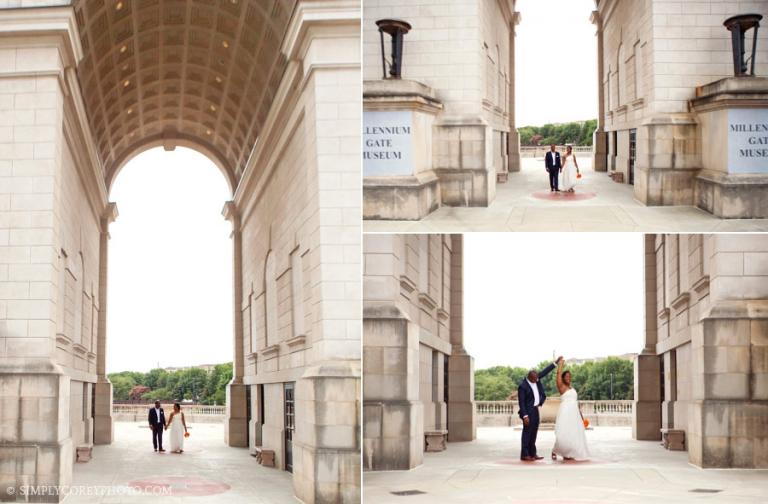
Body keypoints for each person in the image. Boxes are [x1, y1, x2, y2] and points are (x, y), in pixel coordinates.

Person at [517, 356, 562, 461]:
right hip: (528, 412)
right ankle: (524, 454)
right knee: (527, 433)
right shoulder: (523, 386)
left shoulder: (536, 378)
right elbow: (521, 402)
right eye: (534, 379)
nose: (536, 380)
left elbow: (545, 372)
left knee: (534, 433)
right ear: (529, 378)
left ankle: (533, 453)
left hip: (535, 409)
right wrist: (525, 416)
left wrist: (555, 363)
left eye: (537, 378)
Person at [552, 359, 590, 461]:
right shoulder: (562, 387)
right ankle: (557, 450)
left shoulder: (572, 388)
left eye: (570, 376)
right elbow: (558, 375)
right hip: (565, 412)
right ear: (563, 378)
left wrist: (581, 416)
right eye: (566, 376)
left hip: (574, 413)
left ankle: (568, 452)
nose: (569, 377)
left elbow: (576, 403)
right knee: (563, 433)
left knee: (573, 433)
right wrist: (560, 365)